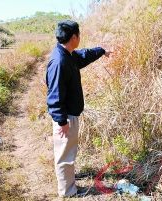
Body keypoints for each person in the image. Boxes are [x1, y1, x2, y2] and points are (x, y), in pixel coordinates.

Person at [46, 20, 111, 198]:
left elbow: (83, 56)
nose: (80, 39)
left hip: (69, 114)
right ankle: (68, 192)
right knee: (64, 154)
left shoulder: (67, 54)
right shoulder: (59, 61)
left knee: (68, 151)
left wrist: (101, 51)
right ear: (74, 37)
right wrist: (61, 121)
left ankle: (68, 182)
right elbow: (55, 96)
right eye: (79, 35)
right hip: (65, 117)